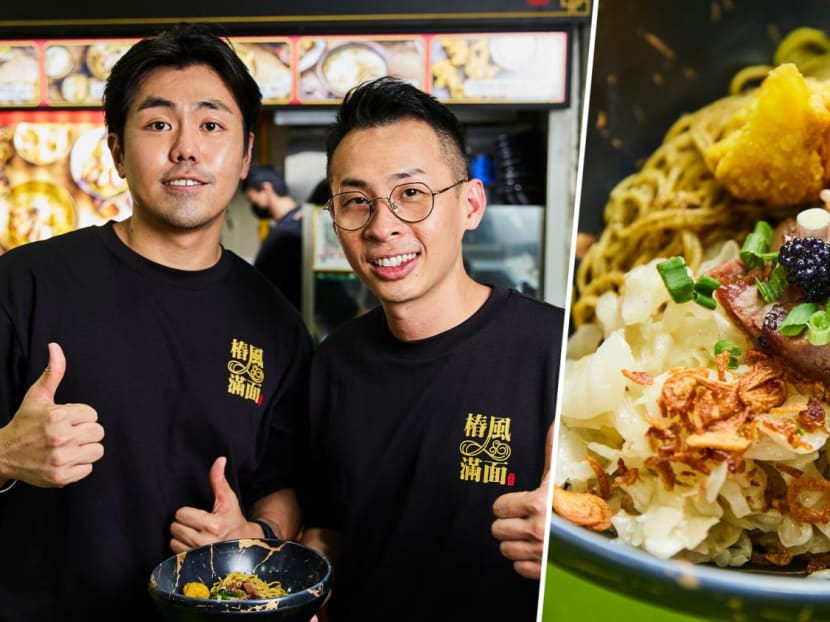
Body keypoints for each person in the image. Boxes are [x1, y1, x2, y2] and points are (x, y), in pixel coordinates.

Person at [0, 23, 313, 621]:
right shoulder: (25, 285)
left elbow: (284, 482)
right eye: (159, 123)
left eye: (213, 125)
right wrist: (5, 455)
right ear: (117, 151)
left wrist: (257, 530)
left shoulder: (277, 323)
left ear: (246, 155)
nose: (186, 148)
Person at [299, 76, 565, 621]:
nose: (383, 227)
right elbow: (329, 528)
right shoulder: (332, 362)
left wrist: (572, 545)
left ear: (470, 205)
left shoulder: (557, 351)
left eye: (411, 194)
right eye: (356, 202)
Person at [243, 167, 362, 337]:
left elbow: (323, 287)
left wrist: (351, 313)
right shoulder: (294, 227)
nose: (253, 205)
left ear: (266, 189)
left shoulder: (291, 233)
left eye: (252, 199)